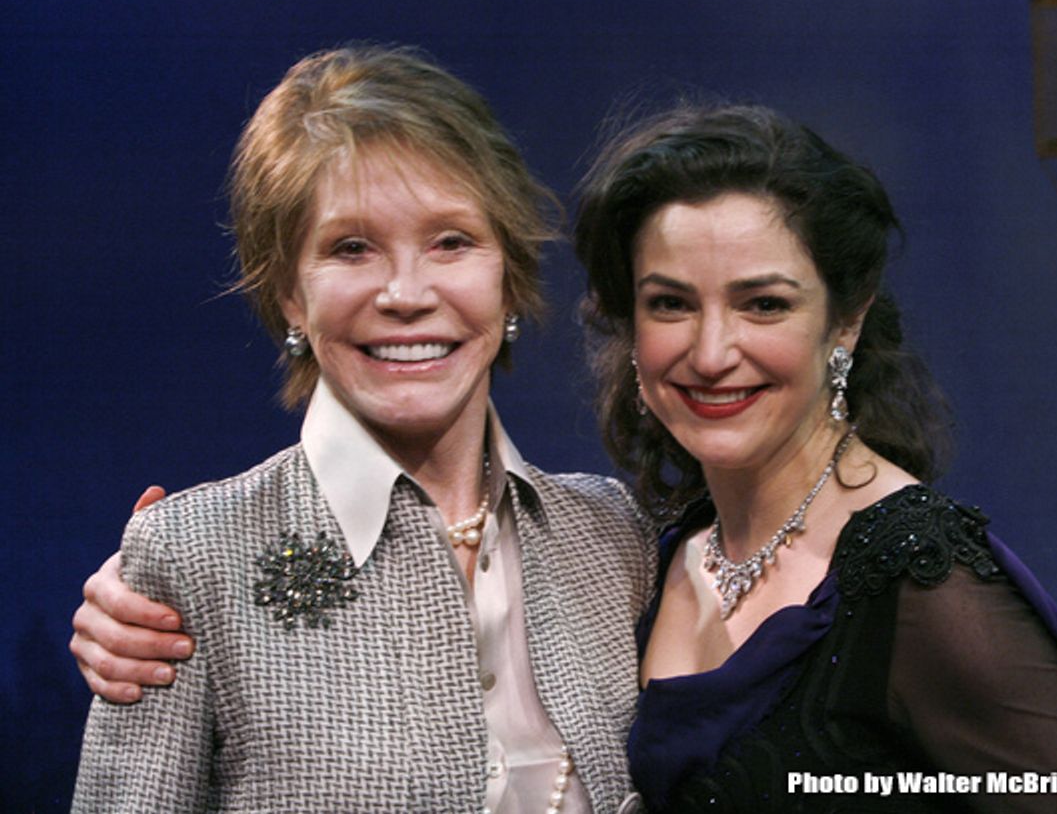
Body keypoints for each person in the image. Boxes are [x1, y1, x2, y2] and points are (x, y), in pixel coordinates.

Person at [71, 44, 653, 813]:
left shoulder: (617, 537)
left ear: (506, 276)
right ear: (288, 295)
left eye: (451, 241)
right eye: (352, 248)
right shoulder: (189, 561)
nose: (406, 293)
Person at [572, 104, 1057, 812]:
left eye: (763, 304)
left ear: (845, 322)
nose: (711, 352)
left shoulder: (918, 580)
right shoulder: (665, 558)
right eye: (670, 304)